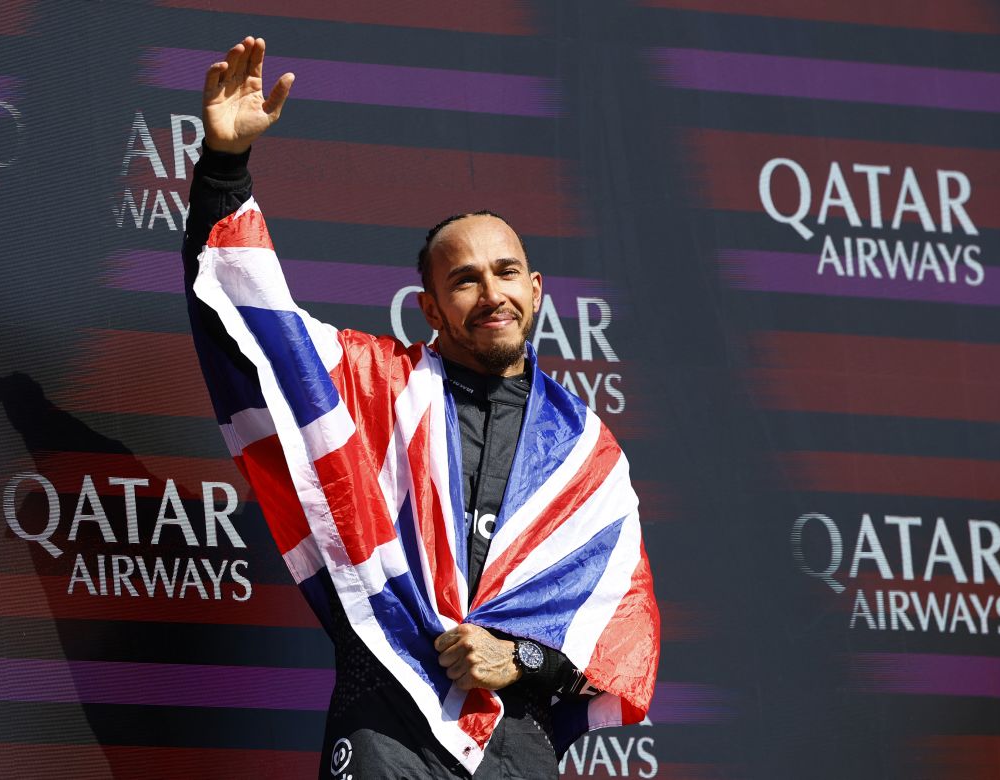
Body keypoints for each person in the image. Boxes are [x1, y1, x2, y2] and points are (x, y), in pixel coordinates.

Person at [183, 37, 659, 779]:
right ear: (431, 308)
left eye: (506, 273)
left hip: (516, 749)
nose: (491, 292)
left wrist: (516, 656)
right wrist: (223, 169)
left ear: (535, 291)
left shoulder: (586, 453)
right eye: (464, 280)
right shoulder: (373, 383)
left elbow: (618, 641)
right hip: (387, 726)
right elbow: (250, 327)